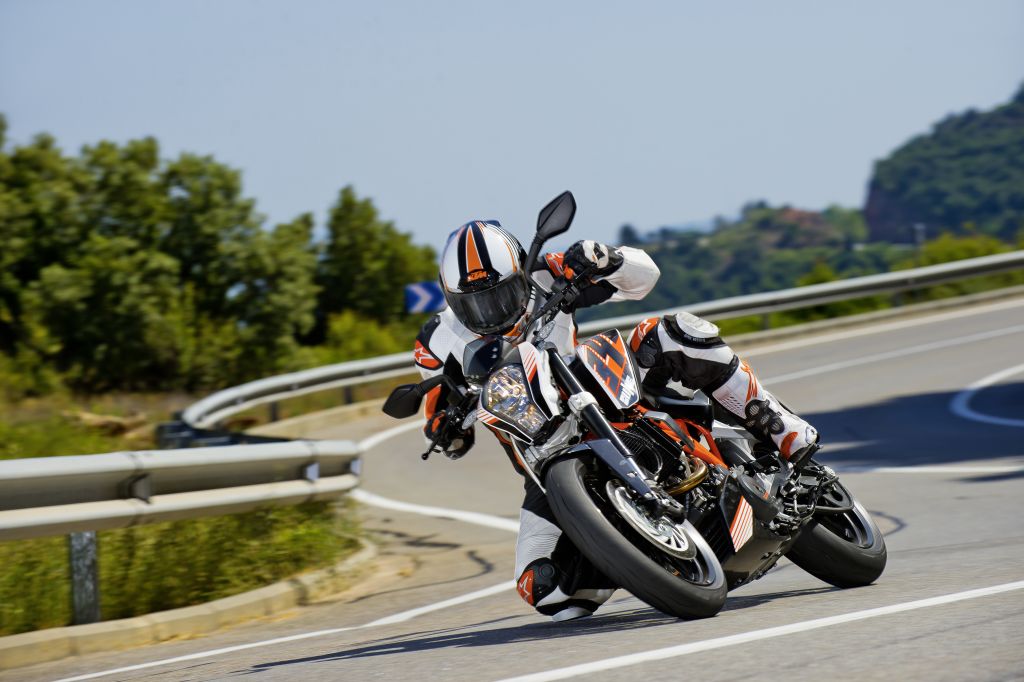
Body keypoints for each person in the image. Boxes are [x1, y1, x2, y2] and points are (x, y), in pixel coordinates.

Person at [413, 219, 818, 621]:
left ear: (520, 275)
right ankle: (636, 552)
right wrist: (445, 429)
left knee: (673, 332)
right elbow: (440, 418)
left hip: (603, 390)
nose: (491, 311)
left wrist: (606, 258)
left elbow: (644, 279)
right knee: (546, 592)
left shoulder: (547, 273)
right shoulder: (435, 341)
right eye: (474, 303)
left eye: (501, 295)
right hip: (541, 456)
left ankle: (779, 427)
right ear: (451, 298)